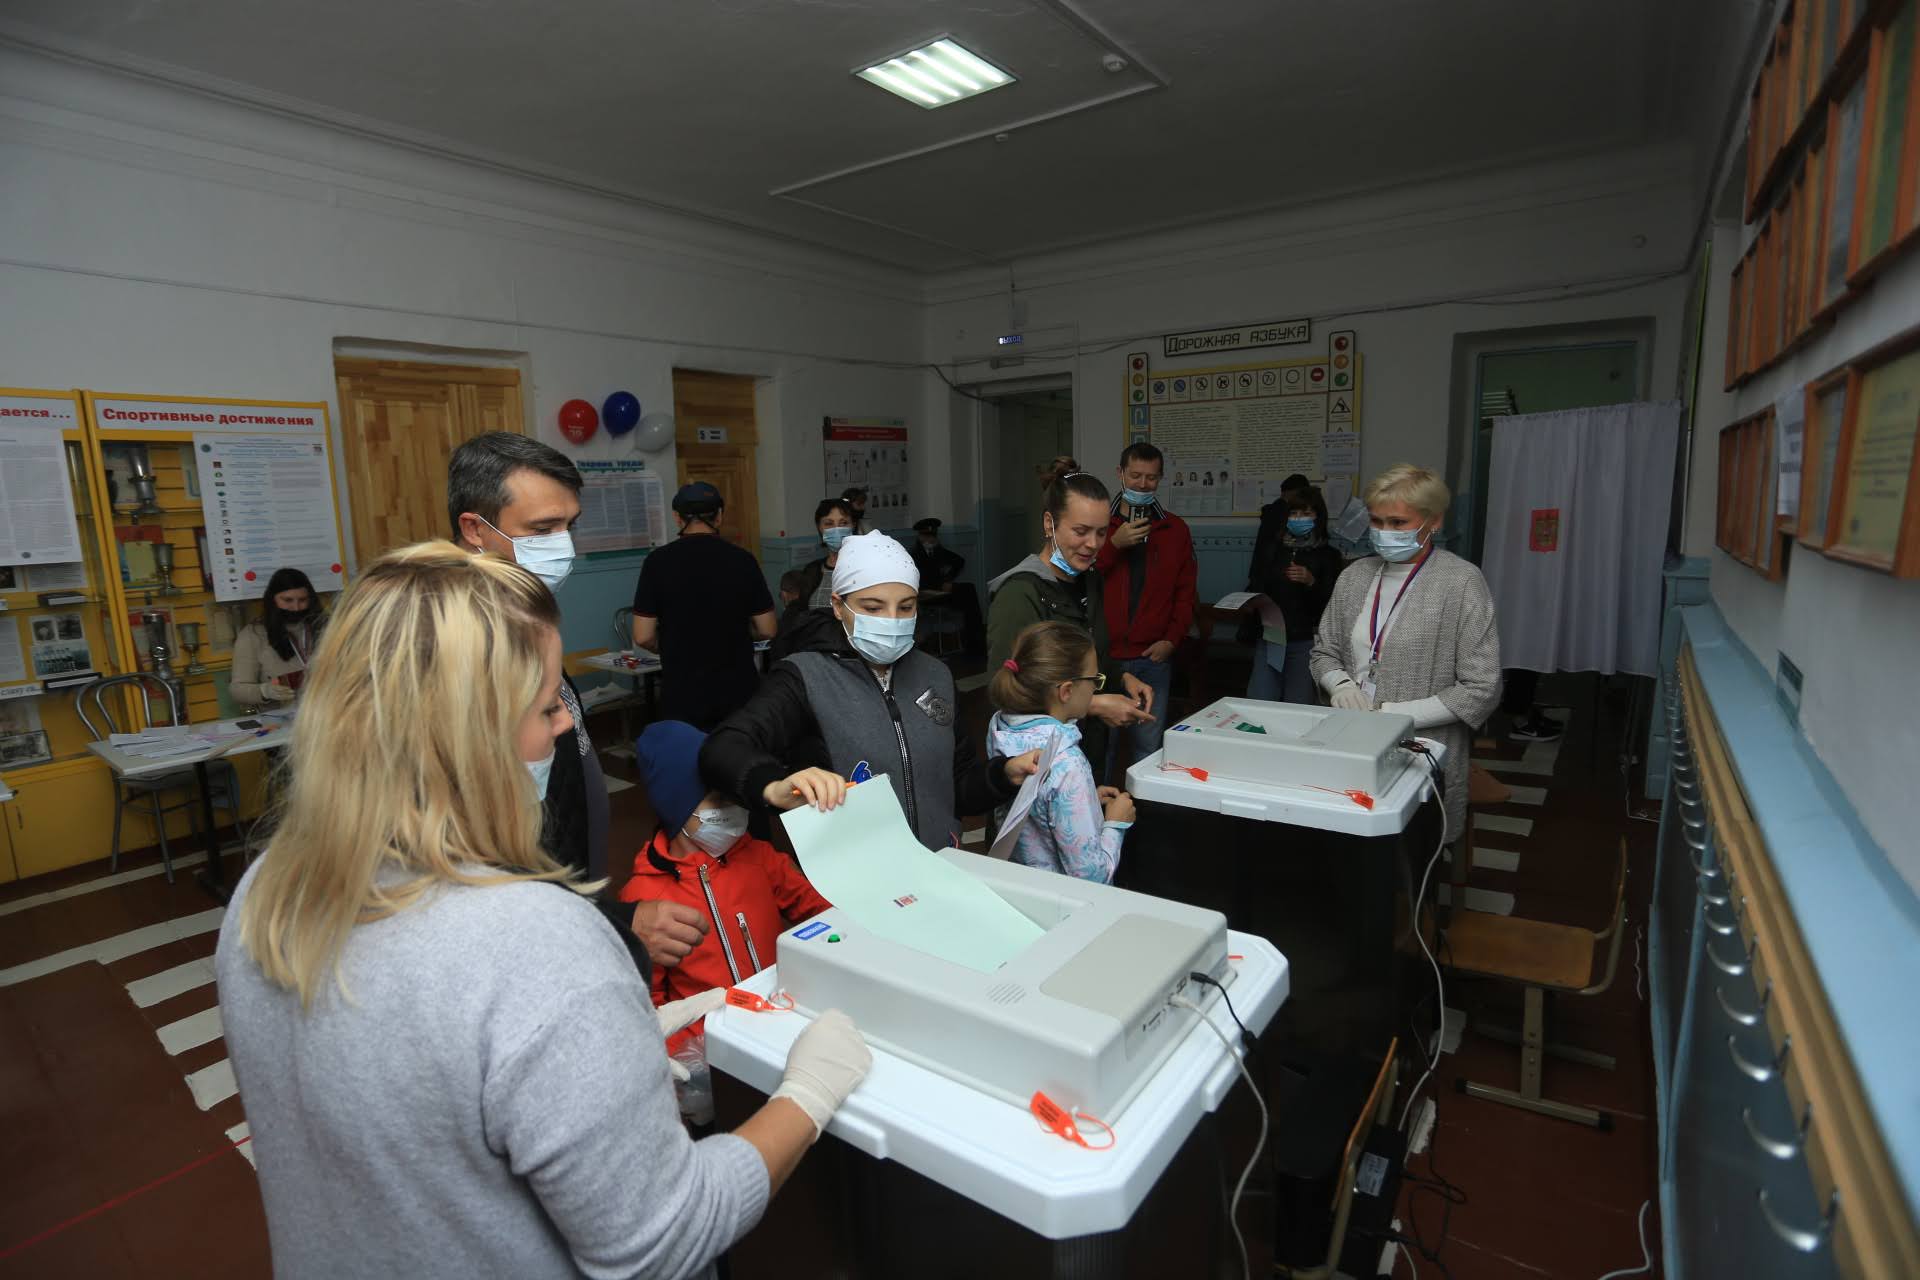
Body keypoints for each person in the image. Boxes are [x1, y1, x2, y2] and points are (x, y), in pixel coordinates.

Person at [216, 542, 871, 1279]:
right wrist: (807, 1094)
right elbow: (663, 1237)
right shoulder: (535, 937)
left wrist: (596, 1043)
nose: (564, 724)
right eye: (544, 706)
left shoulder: (268, 891)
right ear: (466, 736)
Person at [702, 532, 1041, 851]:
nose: (891, 620)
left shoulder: (934, 675)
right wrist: (774, 786)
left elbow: (956, 786)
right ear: (838, 606)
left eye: (905, 607)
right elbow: (723, 748)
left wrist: (1002, 775)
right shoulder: (804, 677)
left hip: (939, 866)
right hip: (850, 875)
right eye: (873, 608)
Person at [1310, 465, 1501, 848]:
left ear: (1434, 521)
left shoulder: (1461, 582)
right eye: (1377, 521)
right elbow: (1323, 651)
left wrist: (1392, 715)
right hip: (1350, 739)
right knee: (1344, 843)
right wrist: (1340, 684)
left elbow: (1480, 688)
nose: (1385, 533)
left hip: (1419, 751)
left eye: (1398, 523)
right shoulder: (1354, 576)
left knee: (1409, 855)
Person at [449, 432, 604, 878]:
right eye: (542, 530)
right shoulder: (458, 639)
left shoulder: (523, 610)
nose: (565, 546)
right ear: (475, 529)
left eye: (570, 525)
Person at [621, 721, 831, 1039]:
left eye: (736, 798)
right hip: (705, 1046)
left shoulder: (760, 857)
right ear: (676, 806)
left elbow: (822, 908)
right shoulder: (644, 899)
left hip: (781, 1021)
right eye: (719, 801)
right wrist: (684, 1054)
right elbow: (650, 1003)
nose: (734, 810)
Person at [987, 460, 1155, 778]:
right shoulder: (1020, 593)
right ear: (1049, 524)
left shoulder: (1089, 580)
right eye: (1081, 531)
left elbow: (1094, 652)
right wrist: (1095, 705)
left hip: (1084, 751)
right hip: (1038, 763)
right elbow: (1006, 691)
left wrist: (1122, 678)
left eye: (1101, 533)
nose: (1093, 544)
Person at [986, 622, 1134, 883]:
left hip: (1019, 883)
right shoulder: (1068, 764)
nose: (1095, 688)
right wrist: (1115, 823)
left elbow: (1040, 807)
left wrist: (1085, 800)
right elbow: (1091, 877)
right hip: (1058, 898)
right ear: (1066, 691)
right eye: (1094, 680)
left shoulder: (1000, 728)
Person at [632, 483, 779, 730]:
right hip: (737, 688)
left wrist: (669, 645)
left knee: (688, 751)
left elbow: (642, 635)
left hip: (682, 689)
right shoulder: (742, 560)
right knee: (737, 749)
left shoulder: (657, 562)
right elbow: (768, 629)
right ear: (719, 516)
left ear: (677, 518)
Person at [1093, 443, 1196, 775]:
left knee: (1148, 749)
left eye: (1151, 478)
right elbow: (1080, 580)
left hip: (1153, 657)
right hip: (1104, 657)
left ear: (1160, 478)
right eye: (1135, 475)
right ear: (1120, 473)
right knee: (1100, 749)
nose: (1142, 484)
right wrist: (1113, 545)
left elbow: (1186, 593)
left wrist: (1172, 640)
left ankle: (1142, 807)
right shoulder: (1098, 525)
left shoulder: (1174, 529)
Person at [1244, 484, 1343, 703]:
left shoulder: (1328, 555)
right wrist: (1249, 600)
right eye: (1294, 513)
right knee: (1260, 700)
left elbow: (1332, 605)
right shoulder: (1273, 549)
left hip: (1305, 640)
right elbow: (1257, 583)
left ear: (1317, 517)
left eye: (1305, 513)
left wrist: (1311, 582)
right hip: (1271, 636)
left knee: (1298, 702)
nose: (1298, 518)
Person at [229, 568, 325, 709]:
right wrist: (265, 691)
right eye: (288, 600)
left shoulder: (325, 626)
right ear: (272, 600)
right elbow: (237, 690)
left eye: (303, 600)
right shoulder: (253, 635)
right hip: (282, 717)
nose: (296, 607)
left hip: (328, 712)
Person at [911, 517, 985, 655]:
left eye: (933, 536)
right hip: (927, 594)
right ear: (920, 537)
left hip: (941, 592)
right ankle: (975, 642)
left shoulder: (938, 551)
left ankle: (976, 641)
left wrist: (948, 579)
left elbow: (959, 561)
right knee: (967, 593)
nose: (931, 540)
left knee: (969, 590)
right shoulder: (914, 555)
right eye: (927, 536)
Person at [795, 499, 857, 610]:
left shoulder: (865, 567)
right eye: (829, 524)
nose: (837, 529)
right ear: (819, 527)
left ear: (853, 525)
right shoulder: (812, 570)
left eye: (844, 523)